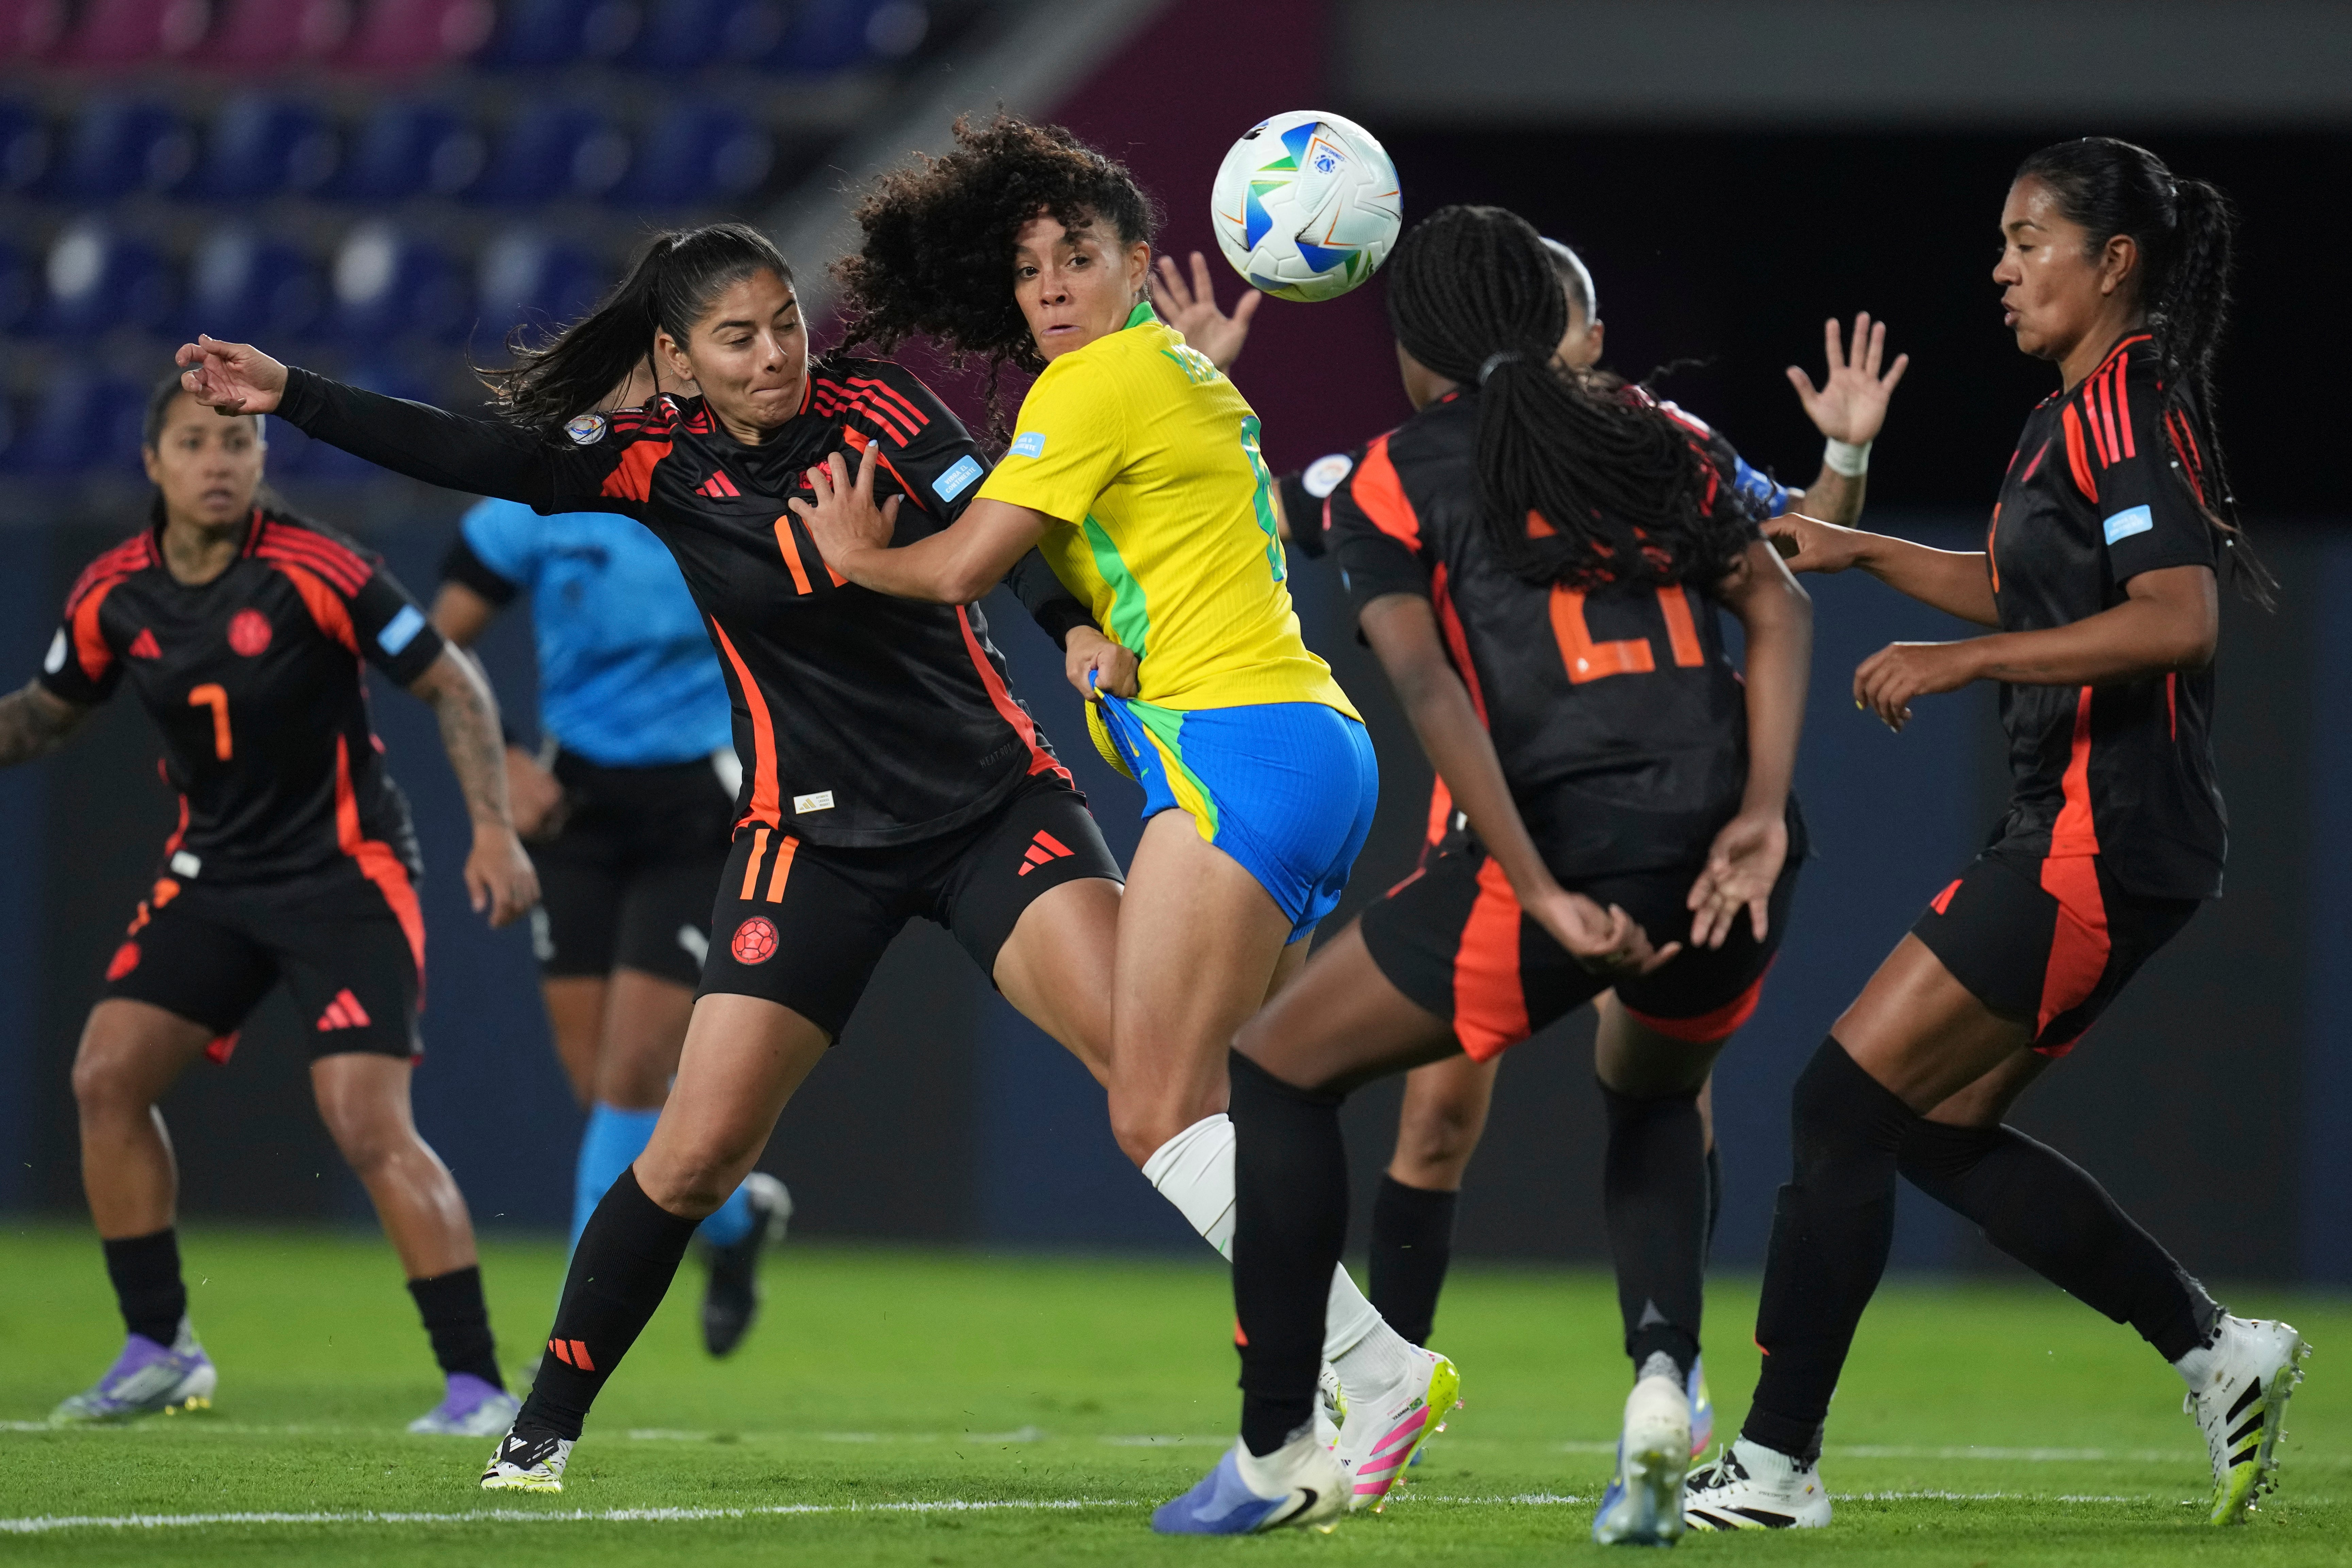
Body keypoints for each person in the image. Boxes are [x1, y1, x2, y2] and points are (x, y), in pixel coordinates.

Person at [176, 219, 1397, 1493]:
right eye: (737, 338)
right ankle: (539, 1428)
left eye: (785, 325)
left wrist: (1077, 626)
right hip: (807, 840)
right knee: (695, 1154)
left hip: (995, 812)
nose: (774, 357)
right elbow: (483, 452)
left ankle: (1353, 1363)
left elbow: (1006, 528)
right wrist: (292, 396)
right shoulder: (650, 458)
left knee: (1159, 1094)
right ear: (676, 358)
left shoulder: (877, 407)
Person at [803, 115, 1442, 1507]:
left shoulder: (1094, 387)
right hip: (1309, 749)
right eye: (1028, 263)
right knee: (1235, 1105)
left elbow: (964, 568)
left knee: (1152, 1108)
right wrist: (1091, 631)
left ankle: (1355, 1387)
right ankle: (1332, 1397)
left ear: (1137, 266)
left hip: (1236, 760)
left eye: (1078, 256)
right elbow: (1153, 554)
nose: (1049, 285)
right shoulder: (1179, 380)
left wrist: (858, 553)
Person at [1153, 237, 1906, 1418]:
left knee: (1644, 1074)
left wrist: (1844, 456)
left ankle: (1638, 1359)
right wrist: (1213, 391)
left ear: (1592, 339)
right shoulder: (1449, 457)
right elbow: (1283, 513)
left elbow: (1797, 541)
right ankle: (1428, 1370)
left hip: (1583, 796)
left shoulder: (1643, 439)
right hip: (1556, 799)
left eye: (1571, 319)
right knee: (1453, 1107)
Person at [1681, 137, 2304, 1533]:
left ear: (2115, 262)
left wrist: (1953, 664)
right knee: (1934, 1126)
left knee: (1839, 1106)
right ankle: (2217, 1351)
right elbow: (2037, 584)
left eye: (2031, 241)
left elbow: (2174, 617)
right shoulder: (2066, 414)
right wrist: (1868, 553)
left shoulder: (2127, 401)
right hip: (2086, 828)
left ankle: (1776, 1467)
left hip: (2102, 831)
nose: (2002, 266)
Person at [4, 376, 539, 1435]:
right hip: (213, 875)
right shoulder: (112, 592)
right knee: (107, 1075)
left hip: (346, 875)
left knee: (364, 1122)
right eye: (195, 442)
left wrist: (491, 824)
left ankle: (479, 1386)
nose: (219, 460)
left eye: (238, 442)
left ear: (262, 463)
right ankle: (160, 1348)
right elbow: (47, 714)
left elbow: (453, 680)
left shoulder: (318, 567)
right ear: (152, 463)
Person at [431, 423, 791, 1359]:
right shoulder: (541, 503)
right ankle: (733, 1216)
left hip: (698, 811)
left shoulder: (724, 488)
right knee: (600, 1085)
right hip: (574, 813)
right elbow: (439, 647)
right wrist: (508, 758)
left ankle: (567, 1352)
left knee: (633, 1072)